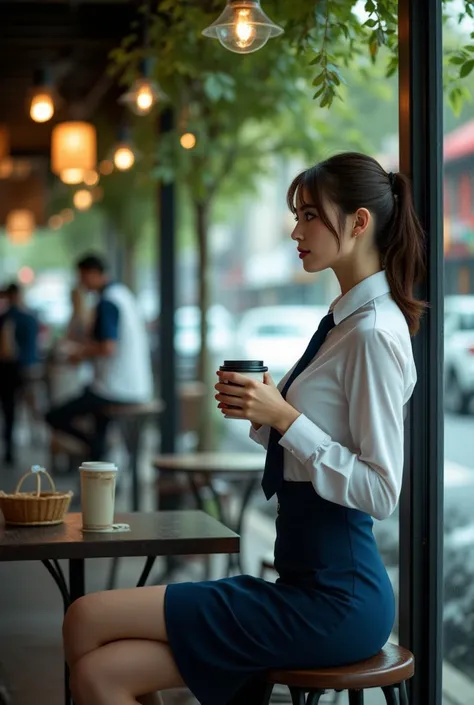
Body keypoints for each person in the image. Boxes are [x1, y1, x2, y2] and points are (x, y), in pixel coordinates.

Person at [61, 152, 425, 705]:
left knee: (86, 617)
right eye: (296, 215)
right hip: (302, 583)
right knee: (100, 674)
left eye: (309, 216)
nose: (295, 230)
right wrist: (266, 414)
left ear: (358, 222)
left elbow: (381, 490)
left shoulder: (371, 332)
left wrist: (284, 416)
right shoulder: (345, 322)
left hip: (336, 599)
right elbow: (317, 440)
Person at [45, 254, 153, 460]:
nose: (81, 282)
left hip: (115, 388)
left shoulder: (108, 302)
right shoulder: (123, 295)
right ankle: (97, 452)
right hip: (135, 386)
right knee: (96, 417)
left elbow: (107, 347)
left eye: (82, 276)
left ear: (94, 274)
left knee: (55, 415)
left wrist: (79, 353)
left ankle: (95, 448)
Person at [0, 283, 39, 465]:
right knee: (31, 408)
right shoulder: (30, 317)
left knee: (10, 410)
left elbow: (6, 350)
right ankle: (37, 439)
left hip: (10, 369)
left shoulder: (8, 318)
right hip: (28, 369)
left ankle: (10, 449)